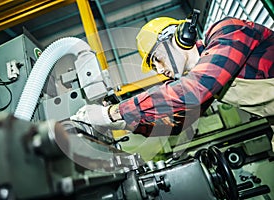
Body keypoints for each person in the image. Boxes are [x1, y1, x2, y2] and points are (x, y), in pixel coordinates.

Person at [71, 13, 274, 138]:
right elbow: (177, 125)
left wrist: (114, 112)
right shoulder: (204, 78)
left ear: (180, 36)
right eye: (154, 66)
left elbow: (195, 89)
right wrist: (124, 123)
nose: (159, 70)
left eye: (157, 58)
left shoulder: (227, 30)